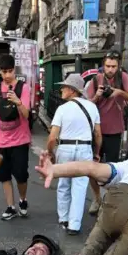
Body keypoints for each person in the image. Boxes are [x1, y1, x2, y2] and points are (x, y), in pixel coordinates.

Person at [84, 51, 128, 215]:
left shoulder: (122, 77)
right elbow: (87, 104)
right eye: (107, 66)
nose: (110, 70)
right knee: (92, 167)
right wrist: (97, 96)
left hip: (115, 131)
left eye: (113, 66)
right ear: (103, 65)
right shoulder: (96, 79)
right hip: (96, 131)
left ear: (118, 66)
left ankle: (109, 201)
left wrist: (120, 92)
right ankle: (97, 198)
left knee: (113, 169)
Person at [46, 74, 102, 235]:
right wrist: (96, 153)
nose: (61, 89)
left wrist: (50, 153)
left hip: (65, 147)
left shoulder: (62, 109)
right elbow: (98, 134)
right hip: (85, 149)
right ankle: (74, 225)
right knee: (80, 186)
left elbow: (52, 137)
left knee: (64, 183)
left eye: (64, 87)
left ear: (72, 90)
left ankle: (63, 217)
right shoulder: (92, 107)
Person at [0, 54, 33, 221]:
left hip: (20, 140)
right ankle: (10, 206)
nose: (7, 75)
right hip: (1, 142)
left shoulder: (24, 88)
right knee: (4, 176)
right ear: (0, 72)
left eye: (10, 71)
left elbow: (27, 114)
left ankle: (22, 200)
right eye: (4, 72)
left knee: (21, 175)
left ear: (15, 70)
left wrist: (18, 101)